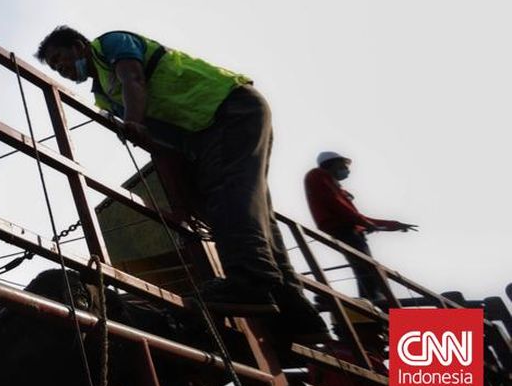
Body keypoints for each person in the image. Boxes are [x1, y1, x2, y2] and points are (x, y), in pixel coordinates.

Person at [35, 26, 328, 342]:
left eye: (60, 58)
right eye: (54, 68)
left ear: (79, 46)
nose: (61, 69)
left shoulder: (111, 43)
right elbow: (158, 140)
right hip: (204, 133)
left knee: (230, 193)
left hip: (226, 107)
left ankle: (251, 280)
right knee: (255, 211)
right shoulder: (103, 96)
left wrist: (132, 120)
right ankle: (295, 311)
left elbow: (133, 78)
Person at [304, 152, 416, 306]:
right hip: (342, 228)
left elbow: (355, 215)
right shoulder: (318, 175)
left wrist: (393, 225)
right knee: (367, 267)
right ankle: (372, 299)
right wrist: (363, 222)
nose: (346, 170)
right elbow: (338, 206)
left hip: (347, 228)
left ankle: (370, 298)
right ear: (332, 163)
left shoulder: (332, 186)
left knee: (365, 267)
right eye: (343, 166)